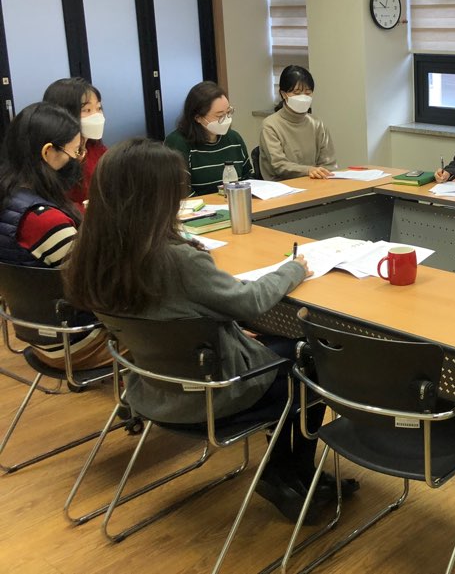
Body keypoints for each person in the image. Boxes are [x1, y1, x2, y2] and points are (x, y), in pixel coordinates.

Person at [63, 138, 356, 522]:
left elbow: (168, 314)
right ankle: (287, 473)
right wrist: (294, 269)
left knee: (279, 345)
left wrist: (222, 329)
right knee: (311, 359)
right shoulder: (178, 260)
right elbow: (250, 301)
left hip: (153, 387)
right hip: (212, 395)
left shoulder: (88, 252)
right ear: (157, 199)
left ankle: (293, 475)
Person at [0, 103, 110, 369]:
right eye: (76, 151)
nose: (80, 159)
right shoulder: (42, 219)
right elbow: (97, 285)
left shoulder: (10, 198)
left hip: (37, 333)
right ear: (48, 152)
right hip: (77, 341)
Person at [164, 81, 253, 196]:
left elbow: (248, 178)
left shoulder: (234, 139)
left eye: (228, 112)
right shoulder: (178, 143)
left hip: (235, 202)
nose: (226, 119)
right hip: (199, 206)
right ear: (198, 117)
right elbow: (180, 190)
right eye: (220, 116)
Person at [259, 65, 337, 181]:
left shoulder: (317, 124)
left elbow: (329, 163)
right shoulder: (270, 125)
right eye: (297, 93)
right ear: (283, 94)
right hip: (282, 187)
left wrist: (321, 173)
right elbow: (279, 165)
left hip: (316, 184)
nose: (303, 97)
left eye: (308, 93)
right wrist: (309, 170)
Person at [42, 77, 108, 207]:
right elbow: (56, 203)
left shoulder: (96, 148)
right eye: (87, 110)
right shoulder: (56, 155)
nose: (97, 116)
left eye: (99, 108)